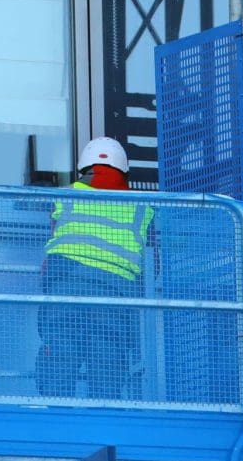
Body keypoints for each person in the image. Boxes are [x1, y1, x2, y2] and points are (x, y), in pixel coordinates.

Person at [36, 136, 154, 399]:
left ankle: (55, 409)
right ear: (123, 168)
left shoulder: (65, 195)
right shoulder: (142, 206)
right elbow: (151, 259)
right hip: (116, 294)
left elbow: (53, 233)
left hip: (66, 285)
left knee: (60, 351)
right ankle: (105, 410)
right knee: (107, 357)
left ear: (84, 166)